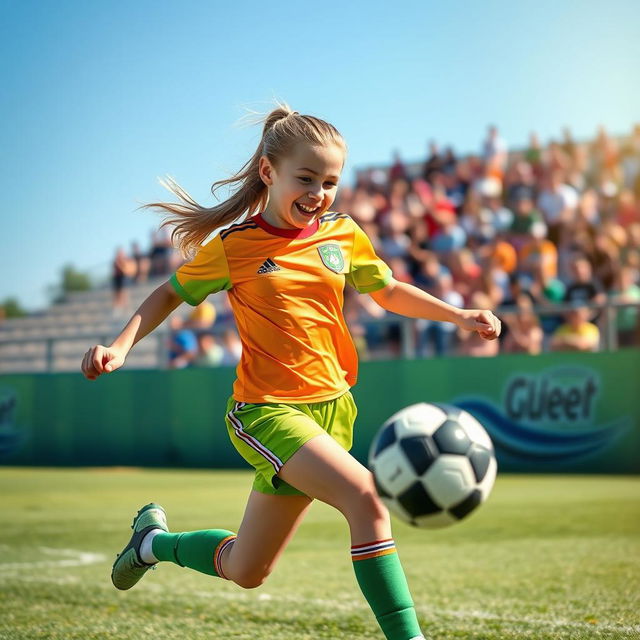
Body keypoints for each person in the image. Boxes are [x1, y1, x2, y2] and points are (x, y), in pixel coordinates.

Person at [80, 105, 501, 640]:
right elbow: (169, 293)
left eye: (330, 182)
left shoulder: (343, 234)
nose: (318, 192)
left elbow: (388, 291)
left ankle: (150, 543)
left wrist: (459, 314)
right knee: (368, 498)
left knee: (246, 569)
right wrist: (120, 345)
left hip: (334, 411)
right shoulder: (235, 247)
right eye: (306, 178)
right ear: (268, 172)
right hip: (266, 411)